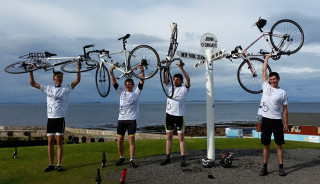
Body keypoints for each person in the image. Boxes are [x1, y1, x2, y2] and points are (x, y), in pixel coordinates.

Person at [29, 64, 81, 172]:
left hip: (60, 119)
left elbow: (77, 80)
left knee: (59, 142)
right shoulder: (48, 88)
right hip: (50, 119)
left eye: (61, 77)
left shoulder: (65, 89)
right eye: (57, 77)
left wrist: (78, 69)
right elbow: (32, 83)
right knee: (50, 142)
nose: (59, 79)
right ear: (53, 78)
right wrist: (31, 71)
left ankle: (59, 165)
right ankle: (51, 164)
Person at [258, 54, 288, 176]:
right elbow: (264, 70)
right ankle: (264, 167)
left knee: (279, 145)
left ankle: (281, 167)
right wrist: (267, 57)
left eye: (274, 79)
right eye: (270, 80)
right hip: (265, 119)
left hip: (276, 120)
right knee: (266, 145)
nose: (272, 81)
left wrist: (286, 123)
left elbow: (285, 109)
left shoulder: (282, 92)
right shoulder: (265, 86)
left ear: (278, 79)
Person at [110, 64, 145, 169]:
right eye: (127, 84)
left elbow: (142, 80)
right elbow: (114, 82)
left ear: (133, 85)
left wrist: (142, 69)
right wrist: (111, 71)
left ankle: (131, 160)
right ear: (125, 85)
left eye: (130, 84)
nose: (128, 86)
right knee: (120, 140)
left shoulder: (136, 93)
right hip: (121, 120)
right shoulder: (121, 92)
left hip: (131, 120)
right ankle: (121, 157)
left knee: (131, 140)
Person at [160, 60, 190, 167]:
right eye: (174, 79)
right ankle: (167, 157)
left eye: (177, 79)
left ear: (181, 81)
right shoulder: (170, 87)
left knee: (181, 138)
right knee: (169, 137)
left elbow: (188, 79)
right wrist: (167, 68)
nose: (175, 80)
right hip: (169, 116)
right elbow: (165, 78)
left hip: (179, 116)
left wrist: (181, 68)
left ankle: (183, 158)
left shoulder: (184, 88)